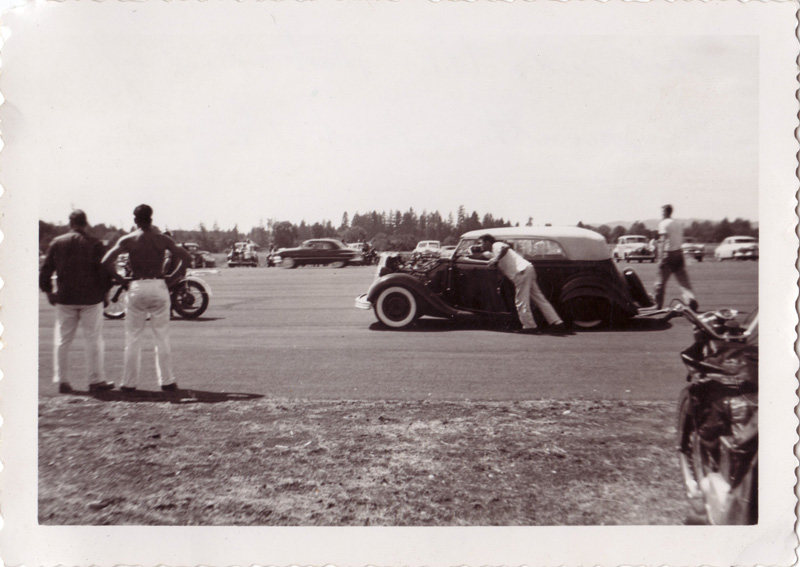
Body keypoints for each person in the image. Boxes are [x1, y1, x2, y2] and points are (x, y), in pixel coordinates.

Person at [102, 204, 193, 393]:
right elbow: (186, 257)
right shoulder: (161, 239)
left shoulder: (129, 239)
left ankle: (129, 383)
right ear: (151, 218)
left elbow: (105, 261)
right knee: (161, 336)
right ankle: (167, 381)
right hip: (158, 285)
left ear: (135, 220)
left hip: (137, 286)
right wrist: (174, 277)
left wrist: (119, 278)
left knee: (133, 338)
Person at [39, 210, 115, 393]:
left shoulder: (57, 243)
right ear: (85, 223)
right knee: (94, 340)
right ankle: (96, 381)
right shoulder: (95, 243)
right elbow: (104, 272)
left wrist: (49, 291)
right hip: (91, 298)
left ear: (70, 223)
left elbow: (46, 271)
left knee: (63, 340)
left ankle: (63, 381)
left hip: (65, 298)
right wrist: (105, 294)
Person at [478, 234, 570, 335]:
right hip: (527, 269)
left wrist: (496, 259)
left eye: (481, 243)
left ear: (487, 242)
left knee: (521, 301)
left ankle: (530, 327)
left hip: (520, 272)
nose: (480, 246)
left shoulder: (496, 245)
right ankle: (557, 323)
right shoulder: (493, 252)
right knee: (539, 299)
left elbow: (505, 247)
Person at [653, 204, 698, 311]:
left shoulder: (663, 223)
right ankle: (691, 299)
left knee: (660, 281)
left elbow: (663, 241)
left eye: (662, 212)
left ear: (665, 212)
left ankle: (658, 304)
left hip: (668, 254)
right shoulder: (677, 223)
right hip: (679, 253)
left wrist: (660, 258)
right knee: (683, 281)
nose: (661, 214)